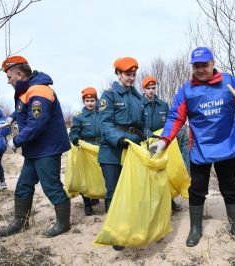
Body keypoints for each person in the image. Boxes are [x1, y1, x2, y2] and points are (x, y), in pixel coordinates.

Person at [149, 47, 235, 247]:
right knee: (197, 189)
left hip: (227, 145)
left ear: (212, 63)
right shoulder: (187, 91)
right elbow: (175, 118)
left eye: (204, 65)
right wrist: (164, 141)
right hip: (200, 148)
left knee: (230, 188)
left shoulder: (229, 83)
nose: (200, 69)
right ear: (192, 67)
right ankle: (195, 228)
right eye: (196, 66)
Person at [0, 55, 71, 238]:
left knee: (51, 186)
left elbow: (37, 124)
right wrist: (13, 115)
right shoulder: (29, 89)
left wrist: (15, 141)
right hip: (35, 149)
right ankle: (19, 222)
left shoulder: (39, 90)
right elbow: (25, 107)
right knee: (24, 185)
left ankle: (64, 223)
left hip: (47, 149)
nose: (8, 81)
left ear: (20, 74)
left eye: (9, 77)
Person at [98, 57, 148, 250]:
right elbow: (105, 124)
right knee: (114, 192)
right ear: (118, 74)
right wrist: (120, 139)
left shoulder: (137, 97)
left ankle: (130, 225)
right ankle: (115, 232)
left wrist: (155, 137)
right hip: (112, 151)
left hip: (134, 149)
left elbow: (143, 126)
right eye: (127, 74)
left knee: (132, 190)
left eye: (134, 74)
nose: (131, 77)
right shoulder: (108, 95)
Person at [141, 76, 183, 211]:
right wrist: (148, 135)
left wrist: (164, 138)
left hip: (162, 143)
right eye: (148, 88)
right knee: (150, 173)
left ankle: (169, 200)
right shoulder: (138, 104)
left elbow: (169, 123)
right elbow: (138, 124)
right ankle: (152, 203)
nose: (151, 91)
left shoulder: (163, 105)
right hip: (146, 143)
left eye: (153, 88)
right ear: (144, 89)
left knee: (165, 171)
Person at [68, 87, 101, 216]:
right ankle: (87, 204)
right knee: (86, 178)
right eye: (87, 100)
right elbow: (74, 131)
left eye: (92, 100)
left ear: (96, 100)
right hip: (86, 149)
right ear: (84, 101)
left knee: (99, 176)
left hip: (100, 147)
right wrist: (75, 138)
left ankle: (96, 196)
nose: (90, 103)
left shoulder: (102, 114)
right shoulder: (79, 117)